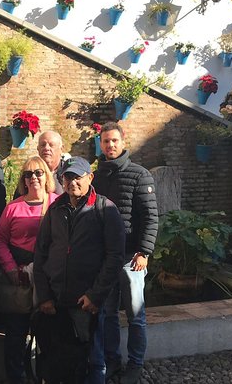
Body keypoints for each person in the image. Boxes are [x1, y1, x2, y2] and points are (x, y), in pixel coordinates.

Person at [33, 157, 125, 384]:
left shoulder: (105, 209)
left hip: (87, 302)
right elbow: (41, 254)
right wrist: (44, 295)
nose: (72, 182)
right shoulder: (55, 209)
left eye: (78, 177)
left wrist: (96, 295)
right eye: (68, 177)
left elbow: (115, 257)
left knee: (93, 359)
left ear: (90, 177)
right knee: (60, 360)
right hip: (57, 301)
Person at [92, 122, 158, 384]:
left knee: (135, 315)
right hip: (106, 258)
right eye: (105, 142)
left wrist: (144, 251)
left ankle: (135, 363)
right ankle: (112, 360)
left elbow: (151, 216)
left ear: (122, 141)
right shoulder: (95, 177)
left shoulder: (139, 175)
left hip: (132, 258)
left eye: (113, 141)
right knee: (107, 313)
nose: (109, 146)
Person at [0, 156, 59, 384]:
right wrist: (11, 269)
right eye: (28, 174)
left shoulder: (57, 203)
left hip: (47, 278)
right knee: (15, 335)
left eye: (38, 173)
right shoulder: (13, 207)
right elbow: (0, 240)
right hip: (18, 278)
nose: (34, 178)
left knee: (48, 336)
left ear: (46, 176)